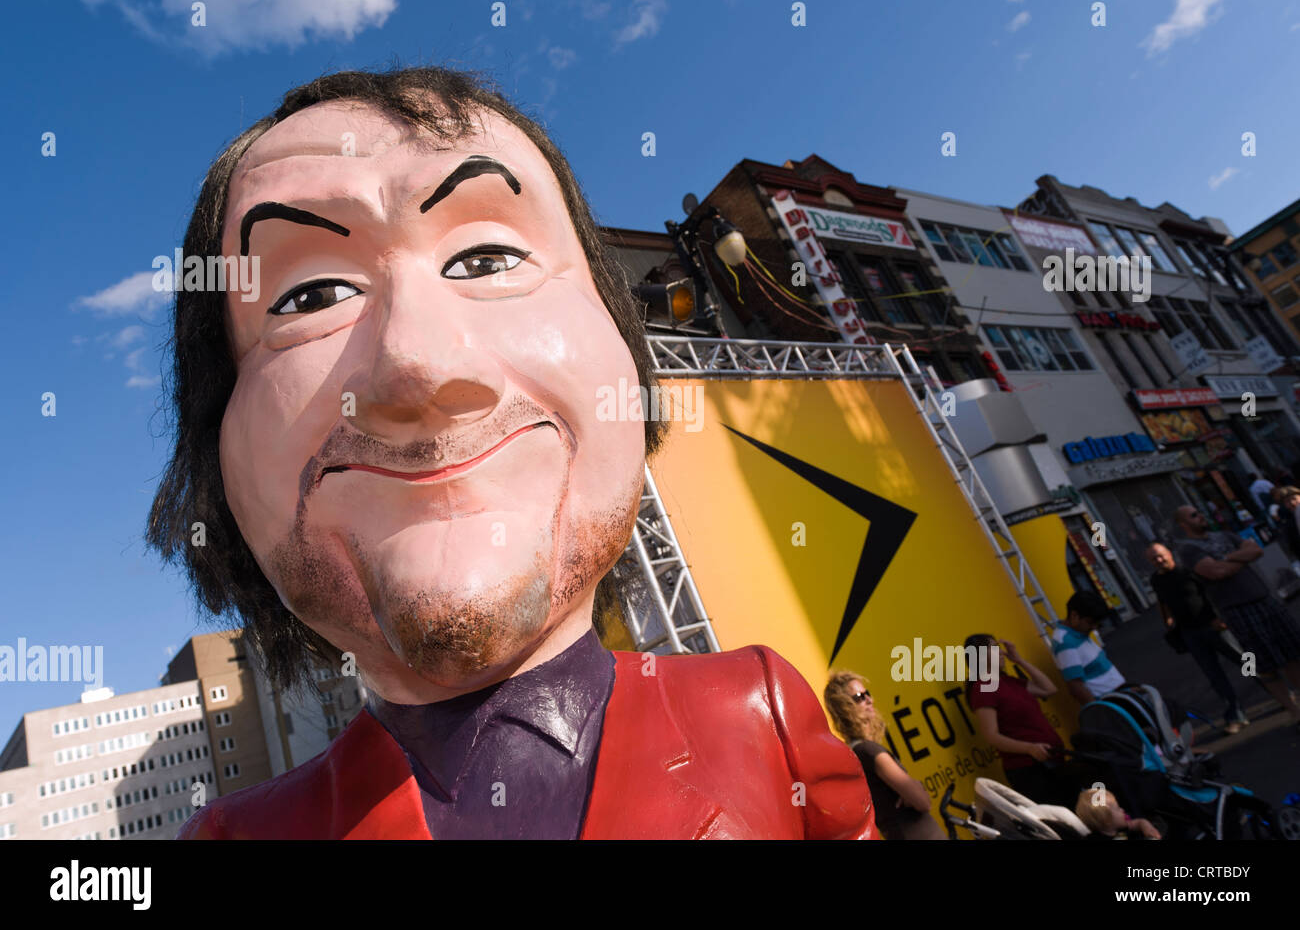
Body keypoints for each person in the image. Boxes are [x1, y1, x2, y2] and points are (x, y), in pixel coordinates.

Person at [149, 66, 877, 840]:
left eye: (487, 259)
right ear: (219, 441)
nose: (419, 363)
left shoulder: (762, 712)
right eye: (313, 296)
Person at [1174, 504, 1300, 729]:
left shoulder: (1224, 535)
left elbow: (1256, 550)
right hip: (1236, 611)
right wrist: (1240, 559)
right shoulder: (1187, 549)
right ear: (1184, 525)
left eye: (1199, 511)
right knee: (1262, 665)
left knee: (1292, 653)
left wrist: (1227, 558)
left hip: (1264, 599)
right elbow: (1216, 572)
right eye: (1194, 515)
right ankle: (1294, 711)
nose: (1201, 515)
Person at [824, 673, 947, 840]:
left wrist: (912, 788)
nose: (869, 700)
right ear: (845, 708)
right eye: (860, 697)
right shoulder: (868, 751)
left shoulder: (855, 754)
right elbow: (923, 801)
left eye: (868, 694)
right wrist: (915, 789)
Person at [1146, 543, 1248, 734]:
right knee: (1214, 675)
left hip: (1213, 626)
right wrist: (1167, 619)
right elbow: (1162, 601)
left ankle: (1276, 690)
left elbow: (1212, 591)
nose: (1159, 560)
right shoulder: (1156, 581)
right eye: (1154, 559)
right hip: (1190, 633)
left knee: (1245, 660)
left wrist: (1219, 616)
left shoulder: (1188, 571)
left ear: (1169, 553)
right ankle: (1236, 714)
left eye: (1161, 556)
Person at [963, 634, 1074, 807]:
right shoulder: (983, 686)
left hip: (1052, 760)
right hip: (1030, 770)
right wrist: (1029, 748)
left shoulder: (1008, 681)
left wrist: (1019, 660)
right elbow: (992, 736)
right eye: (993, 649)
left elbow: (1049, 689)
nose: (1001, 653)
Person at [1049, 592, 1127, 706]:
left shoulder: (1077, 633)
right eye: (1090, 622)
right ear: (1074, 616)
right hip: (1110, 704)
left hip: (1119, 695)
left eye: (1097, 624)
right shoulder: (1065, 642)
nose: (1094, 627)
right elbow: (1075, 686)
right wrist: (1097, 711)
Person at [1073, 789, 1162, 840]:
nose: (1122, 810)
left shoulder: (1117, 827)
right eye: (1117, 808)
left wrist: (1145, 825)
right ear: (1107, 820)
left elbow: (1137, 823)